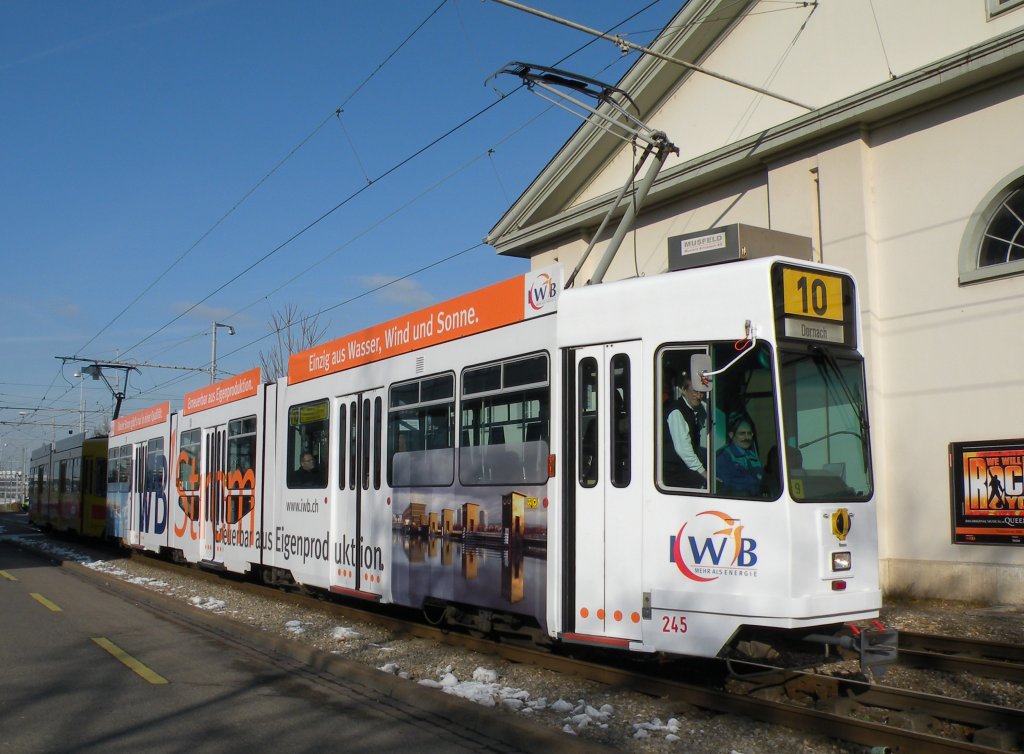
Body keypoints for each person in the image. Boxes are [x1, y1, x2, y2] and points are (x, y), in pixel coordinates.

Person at [664, 374, 707, 488]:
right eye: (694, 391)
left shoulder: (693, 411)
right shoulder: (676, 412)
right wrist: (704, 473)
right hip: (673, 473)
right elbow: (683, 449)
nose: (698, 396)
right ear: (683, 389)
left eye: (701, 392)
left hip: (682, 468)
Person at [716, 415, 764, 496]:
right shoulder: (724, 456)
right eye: (742, 433)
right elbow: (728, 484)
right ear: (731, 435)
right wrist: (754, 480)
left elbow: (762, 479)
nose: (746, 437)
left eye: (749, 434)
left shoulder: (753, 456)